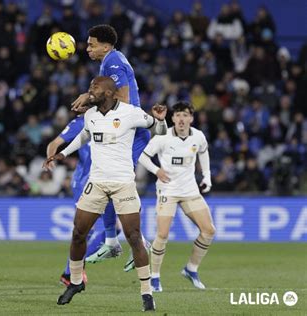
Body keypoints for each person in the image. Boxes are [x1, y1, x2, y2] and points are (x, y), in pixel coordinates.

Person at [45, 76, 167, 311]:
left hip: (123, 184)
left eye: (95, 87)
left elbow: (158, 129)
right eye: (90, 86)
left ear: (110, 93)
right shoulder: (90, 115)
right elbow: (84, 136)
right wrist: (63, 153)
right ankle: (76, 282)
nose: (90, 90)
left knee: (133, 237)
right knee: (78, 233)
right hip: (97, 183)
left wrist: (161, 120)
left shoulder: (131, 113)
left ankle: (146, 293)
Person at [71, 24, 152, 271]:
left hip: (130, 133)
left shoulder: (113, 62)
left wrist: (90, 100)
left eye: (91, 44)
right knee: (104, 179)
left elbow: (124, 101)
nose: (87, 48)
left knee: (113, 181)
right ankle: (111, 240)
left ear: (105, 45)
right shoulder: (110, 60)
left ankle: (137, 243)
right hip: (124, 130)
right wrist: (92, 100)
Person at [138, 101, 216, 292]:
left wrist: (207, 177)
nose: (181, 119)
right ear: (172, 118)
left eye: (185, 115)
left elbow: (203, 153)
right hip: (168, 190)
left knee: (209, 231)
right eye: (178, 115)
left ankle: (191, 269)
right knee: (162, 234)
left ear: (191, 118)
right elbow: (142, 156)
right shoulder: (163, 137)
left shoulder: (198, 136)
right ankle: (154, 277)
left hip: (190, 190)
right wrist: (157, 171)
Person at [45, 115, 121, 286]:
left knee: (115, 229)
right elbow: (54, 143)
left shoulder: (115, 117)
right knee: (86, 229)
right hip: (84, 181)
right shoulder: (81, 122)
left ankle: (71, 269)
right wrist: (51, 157)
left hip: (105, 179)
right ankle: (70, 272)